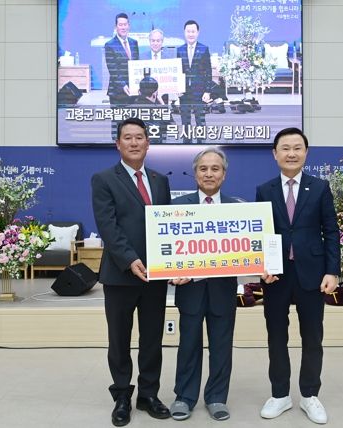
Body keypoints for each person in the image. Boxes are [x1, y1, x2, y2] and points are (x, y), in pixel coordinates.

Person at [255, 127, 340, 425]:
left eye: (297, 148)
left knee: (312, 336)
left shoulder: (320, 187)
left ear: (306, 152)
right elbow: (260, 232)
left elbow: (331, 231)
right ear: (275, 154)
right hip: (276, 276)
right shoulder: (264, 189)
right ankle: (280, 394)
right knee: (276, 336)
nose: (291, 153)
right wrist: (261, 266)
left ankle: (309, 395)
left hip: (312, 273)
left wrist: (332, 271)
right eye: (285, 148)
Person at [91, 117, 172, 426]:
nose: (134, 142)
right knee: (119, 339)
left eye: (140, 137)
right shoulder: (103, 179)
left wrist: (173, 262)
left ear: (148, 143)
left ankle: (149, 395)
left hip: (155, 275)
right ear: (118, 144)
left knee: (152, 338)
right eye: (128, 137)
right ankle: (122, 395)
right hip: (120, 274)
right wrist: (129, 259)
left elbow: (167, 226)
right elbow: (108, 225)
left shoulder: (160, 180)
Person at [169, 148, 238, 422]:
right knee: (188, 345)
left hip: (223, 290)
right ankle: (184, 397)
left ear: (224, 174)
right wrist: (171, 270)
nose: (209, 174)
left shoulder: (237, 209)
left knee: (222, 346)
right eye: (203, 168)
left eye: (215, 168)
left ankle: (217, 397)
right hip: (190, 290)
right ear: (195, 173)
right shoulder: (177, 207)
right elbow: (166, 247)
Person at [176, 20, 212, 143]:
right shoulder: (180, 50)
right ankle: (187, 144)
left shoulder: (204, 49)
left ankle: (201, 144)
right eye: (188, 31)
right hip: (184, 91)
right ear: (184, 32)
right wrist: (178, 88)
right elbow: (178, 71)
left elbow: (208, 71)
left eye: (193, 31)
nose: (190, 34)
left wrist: (207, 91)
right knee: (185, 120)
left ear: (198, 32)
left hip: (199, 91)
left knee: (200, 120)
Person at [105, 13, 139, 139]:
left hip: (133, 91)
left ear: (129, 26)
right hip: (117, 92)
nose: (123, 27)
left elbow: (137, 66)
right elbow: (112, 69)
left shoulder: (134, 43)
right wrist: (123, 85)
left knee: (131, 124)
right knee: (117, 125)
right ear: (116, 27)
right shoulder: (109, 45)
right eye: (120, 25)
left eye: (125, 24)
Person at [134, 77, 173, 143]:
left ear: (140, 91)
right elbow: (172, 126)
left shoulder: (131, 107)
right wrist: (162, 104)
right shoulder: (159, 110)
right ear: (155, 93)